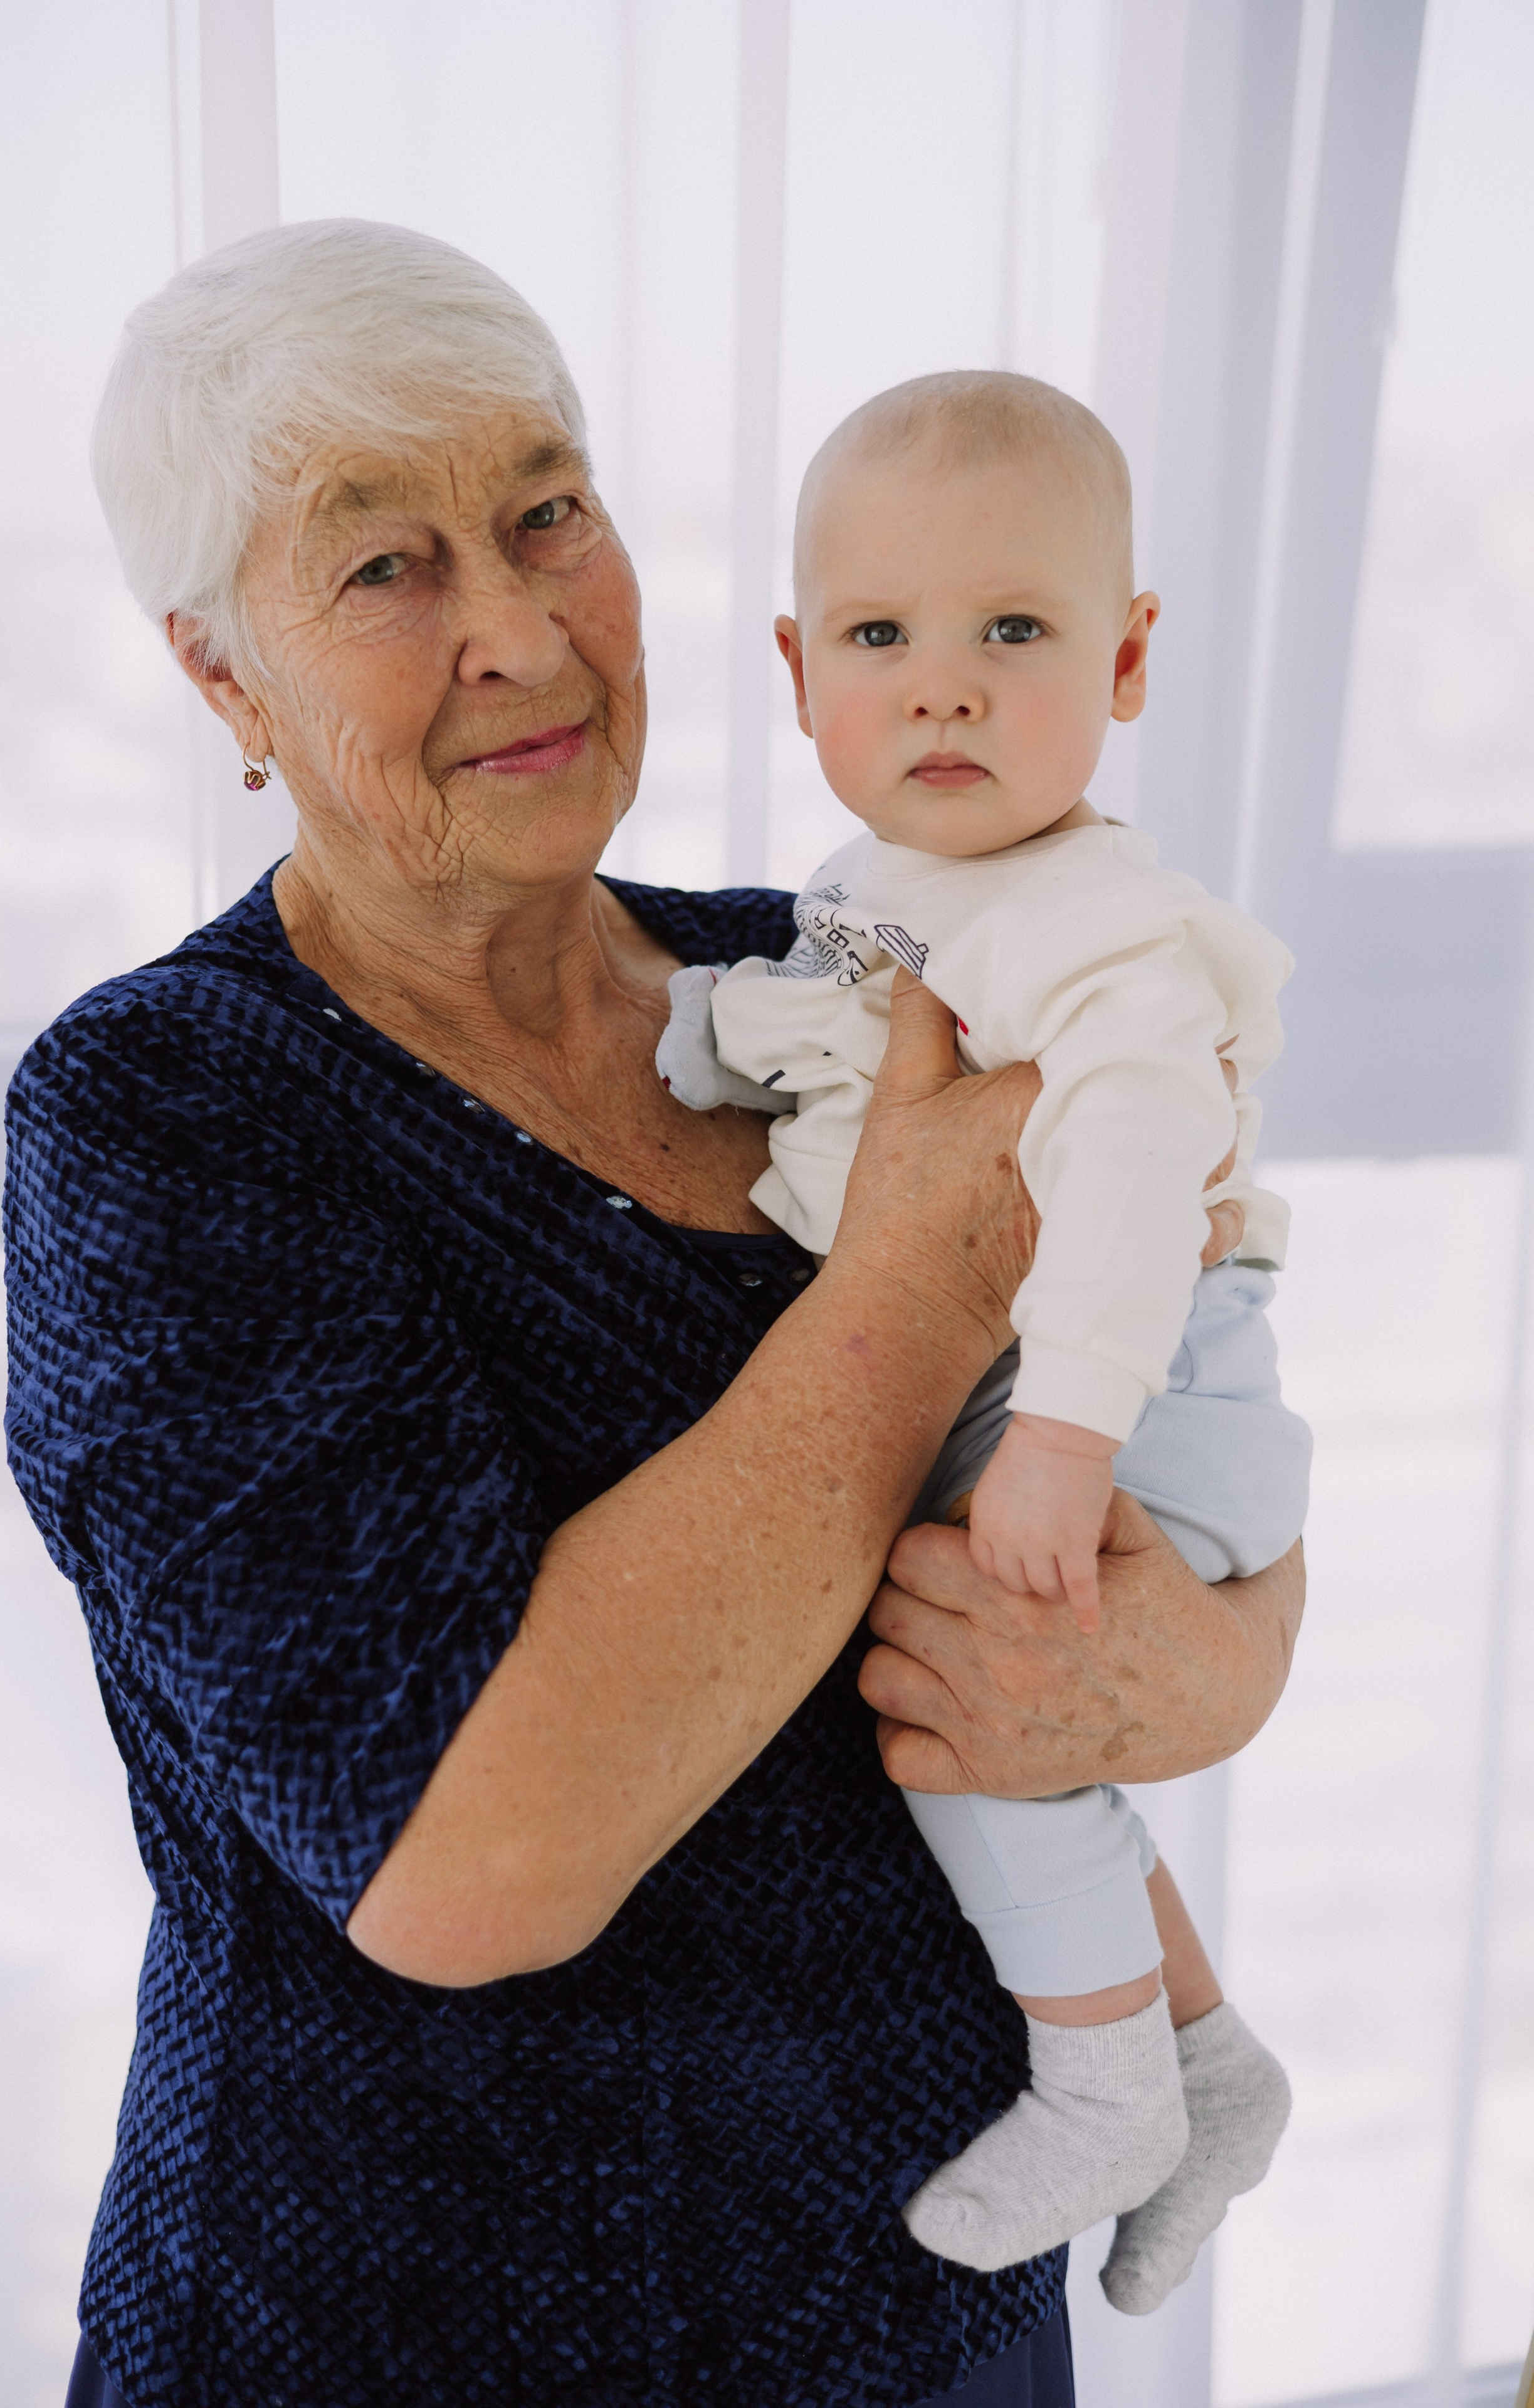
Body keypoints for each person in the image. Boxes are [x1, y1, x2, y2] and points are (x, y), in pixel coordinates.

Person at [6, 221, 1303, 2408]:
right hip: (412, 2334)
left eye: (546, 515)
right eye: (385, 569)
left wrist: (1206, 1670)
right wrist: (913, 1277)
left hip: (931, 2297)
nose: (517, 630)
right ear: (226, 680)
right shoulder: (168, 1112)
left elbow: (1184, 1430)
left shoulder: (805, 967)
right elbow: (467, 1860)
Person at [656, 371, 1309, 2300]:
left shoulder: (1097, 924)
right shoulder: (888, 884)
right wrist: (715, 1033)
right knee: (1036, 1740)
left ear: (1126, 658)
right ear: (797, 671)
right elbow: (842, 1023)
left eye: (1011, 631)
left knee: (976, 1723)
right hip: (1051, 1374)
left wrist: (1068, 1442)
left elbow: (1128, 1184)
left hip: (1133, 1383)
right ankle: (1207, 2060)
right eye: (881, 636)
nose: (940, 687)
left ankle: (1105, 2088)